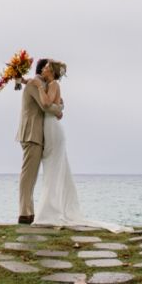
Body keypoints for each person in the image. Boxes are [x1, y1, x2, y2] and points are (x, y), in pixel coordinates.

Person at [33, 58, 125, 231]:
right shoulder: (50, 85)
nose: (42, 70)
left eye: (45, 67)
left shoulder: (53, 85)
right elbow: (56, 105)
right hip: (51, 126)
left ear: (51, 71)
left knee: (53, 167)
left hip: (52, 128)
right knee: (52, 167)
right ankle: (51, 208)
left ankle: (50, 211)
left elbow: (46, 103)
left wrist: (38, 87)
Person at [16, 57, 59, 223]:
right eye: (47, 68)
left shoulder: (39, 84)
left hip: (34, 135)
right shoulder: (36, 84)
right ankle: (24, 214)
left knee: (31, 176)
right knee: (28, 176)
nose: (49, 71)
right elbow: (45, 106)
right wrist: (59, 110)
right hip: (31, 134)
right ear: (42, 70)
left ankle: (29, 212)